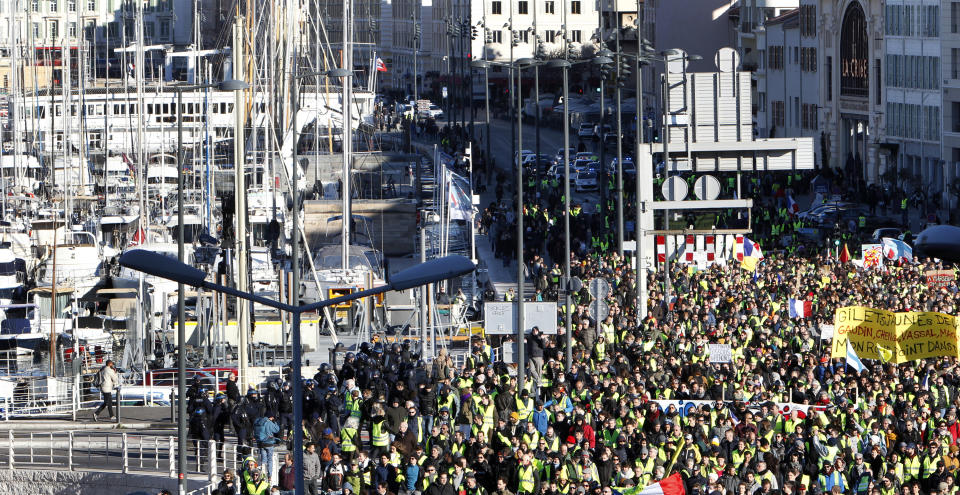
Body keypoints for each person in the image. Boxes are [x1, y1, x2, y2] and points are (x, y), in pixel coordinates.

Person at [254, 413, 281, 481]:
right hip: (269, 443)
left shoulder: (258, 421)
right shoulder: (269, 423)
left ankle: (262, 474)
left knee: (263, 460)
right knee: (270, 460)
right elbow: (277, 429)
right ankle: (269, 475)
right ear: (271, 417)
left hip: (260, 443)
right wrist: (275, 422)